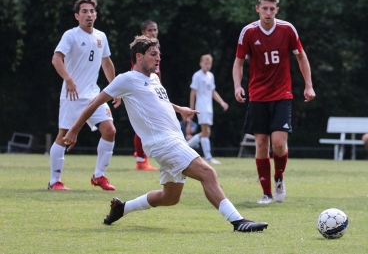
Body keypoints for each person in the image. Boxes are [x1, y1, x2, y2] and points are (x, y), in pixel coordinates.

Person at [62, 35, 268, 232]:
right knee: (208, 173)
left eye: (158, 54)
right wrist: (73, 130)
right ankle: (238, 221)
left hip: (173, 140)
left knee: (170, 197)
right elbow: (94, 102)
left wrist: (180, 109)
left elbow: (158, 102)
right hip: (164, 143)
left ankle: (122, 208)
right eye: (153, 53)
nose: (158, 57)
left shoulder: (153, 79)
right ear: (139, 57)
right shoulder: (126, 79)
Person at [232, 0, 316, 204]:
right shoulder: (248, 32)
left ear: (277, 10)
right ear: (257, 8)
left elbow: (301, 56)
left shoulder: (287, 29)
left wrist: (308, 85)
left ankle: (278, 178)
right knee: (261, 143)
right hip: (258, 95)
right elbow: (239, 61)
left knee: (278, 143)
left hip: (282, 93)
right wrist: (237, 86)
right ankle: (267, 193)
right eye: (264, 8)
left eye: (272, 9)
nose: (268, 13)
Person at [48, 0, 118, 191]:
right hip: (72, 95)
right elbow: (56, 59)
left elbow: (106, 62)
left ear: (96, 15)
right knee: (63, 136)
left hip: (94, 95)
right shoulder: (71, 35)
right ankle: (54, 181)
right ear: (77, 15)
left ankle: (99, 176)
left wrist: (114, 88)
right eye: (85, 11)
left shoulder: (101, 37)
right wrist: (69, 79)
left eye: (92, 11)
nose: (89, 15)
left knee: (110, 130)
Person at [186, 54, 228, 164]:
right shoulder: (197, 75)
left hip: (209, 107)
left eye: (209, 64)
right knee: (206, 131)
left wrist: (222, 102)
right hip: (201, 106)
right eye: (205, 63)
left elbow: (213, 92)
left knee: (206, 133)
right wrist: (191, 108)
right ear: (201, 64)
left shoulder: (211, 76)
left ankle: (185, 148)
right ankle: (208, 158)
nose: (207, 66)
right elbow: (193, 92)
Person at [132, 19, 160, 171]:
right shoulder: (141, 51)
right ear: (143, 33)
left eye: (155, 30)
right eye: (150, 30)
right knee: (141, 127)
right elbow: (136, 72)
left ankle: (141, 156)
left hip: (151, 90)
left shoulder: (154, 49)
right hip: (142, 91)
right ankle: (141, 160)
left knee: (146, 126)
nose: (153, 33)